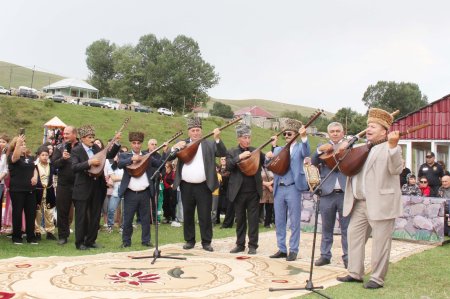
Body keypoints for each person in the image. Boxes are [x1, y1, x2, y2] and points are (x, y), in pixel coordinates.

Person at [337, 108, 402, 289]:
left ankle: (377, 278)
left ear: (384, 130)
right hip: (359, 203)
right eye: (368, 126)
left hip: (381, 204)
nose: (369, 129)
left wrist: (393, 146)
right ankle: (354, 273)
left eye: (373, 126)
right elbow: (346, 166)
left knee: (380, 242)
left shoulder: (390, 147)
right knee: (353, 236)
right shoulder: (359, 148)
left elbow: (397, 169)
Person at [171, 116, 227, 252]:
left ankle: (206, 242)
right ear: (188, 132)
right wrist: (175, 147)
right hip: (186, 186)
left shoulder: (208, 144)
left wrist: (217, 138)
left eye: (198, 130)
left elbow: (222, 152)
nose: (196, 133)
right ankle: (190, 241)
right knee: (188, 214)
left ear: (201, 131)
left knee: (204, 215)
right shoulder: (183, 144)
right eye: (193, 130)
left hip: (204, 185)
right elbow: (169, 156)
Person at [266, 119, 310, 261]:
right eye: (285, 134)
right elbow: (270, 165)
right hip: (279, 188)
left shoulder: (299, 148)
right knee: (279, 220)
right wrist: (269, 156)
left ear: (295, 134)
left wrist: (304, 137)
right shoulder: (278, 149)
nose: (286, 136)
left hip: (293, 188)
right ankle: (282, 248)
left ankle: (294, 250)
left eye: (289, 133)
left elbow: (306, 152)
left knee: (294, 220)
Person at [71, 125, 121, 250]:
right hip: (83, 187)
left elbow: (109, 155)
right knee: (82, 216)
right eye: (89, 137)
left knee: (95, 215)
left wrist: (116, 142)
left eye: (93, 137)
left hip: (97, 186)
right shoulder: (76, 150)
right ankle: (80, 242)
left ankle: (91, 241)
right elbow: (74, 167)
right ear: (82, 138)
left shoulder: (96, 148)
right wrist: (89, 163)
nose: (92, 139)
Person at [311, 121, 349, 268]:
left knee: (347, 228)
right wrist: (319, 150)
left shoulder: (349, 145)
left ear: (342, 132)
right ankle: (325, 255)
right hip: (327, 192)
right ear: (328, 133)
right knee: (326, 227)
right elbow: (313, 161)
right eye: (332, 131)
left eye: (337, 131)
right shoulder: (323, 147)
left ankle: (348, 257)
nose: (335, 133)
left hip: (345, 192)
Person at [226, 124, 267, 255]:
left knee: (253, 220)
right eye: (245, 137)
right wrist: (240, 157)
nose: (248, 140)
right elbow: (228, 166)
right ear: (239, 138)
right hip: (238, 192)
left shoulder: (256, 151)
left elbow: (267, 161)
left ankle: (253, 245)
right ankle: (240, 244)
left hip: (253, 192)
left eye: (249, 137)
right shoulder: (231, 152)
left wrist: (272, 150)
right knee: (240, 219)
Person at [117, 131, 161, 248]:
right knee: (128, 219)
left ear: (141, 144)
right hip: (130, 193)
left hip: (145, 193)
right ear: (131, 144)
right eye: (134, 143)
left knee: (146, 219)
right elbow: (120, 164)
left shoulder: (147, 156)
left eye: (139, 143)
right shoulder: (125, 155)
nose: (136, 145)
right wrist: (132, 159)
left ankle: (146, 241)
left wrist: (167, 152)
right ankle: (126, 242)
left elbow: (160, 164)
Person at [7, 134, 38, 245]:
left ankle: (31, 236)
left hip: (30, 190)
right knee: (17, 213)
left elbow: (34, 168)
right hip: (17, 190)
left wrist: (35, 177)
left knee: (31, 213)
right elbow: (15, 158)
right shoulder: (11, 156)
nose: (23, 146)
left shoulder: (30, 158)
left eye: (24, 144)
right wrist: (18, 144)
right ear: (15, 146)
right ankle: (16, 237)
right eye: (20, 144)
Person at [51, 126, 78, 245]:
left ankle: (83, 235)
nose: (65, 136)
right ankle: (63, 236)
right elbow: (54, 164)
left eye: (67, 134)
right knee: (62, 211)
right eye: (64, 134)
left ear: (75, 134)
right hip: (64, 185)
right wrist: (63, 159)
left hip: (79, 184)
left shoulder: (81, 147)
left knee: (82, 210)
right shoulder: (59, 147)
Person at [34, 145, 57, 241]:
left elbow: (56, 174)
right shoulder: (35, 166)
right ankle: (37, 231)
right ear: (39, 156)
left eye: (46, 155)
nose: (45, 157)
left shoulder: (52, 166)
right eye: (42, 155)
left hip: (49, 191)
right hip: (38, 191)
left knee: (49, 212)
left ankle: (50, 232)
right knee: (37, 212)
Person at [0, 134, 10, 232]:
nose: (1, 144)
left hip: (2, 182)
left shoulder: (6, 156)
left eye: (3, 142)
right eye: (0, 141)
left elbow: (5, 170)